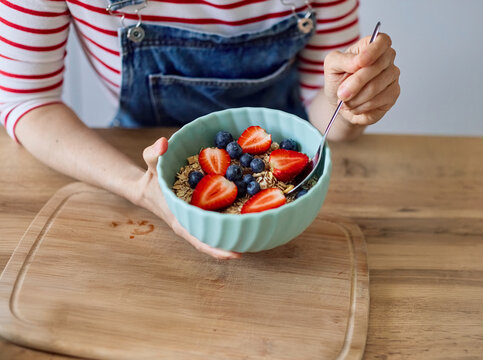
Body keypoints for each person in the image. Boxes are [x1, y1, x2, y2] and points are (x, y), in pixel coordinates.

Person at [0, 0, 400, 259]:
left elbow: (322, 113)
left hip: (290, 162)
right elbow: (25, 100)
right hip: (129, 167)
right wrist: (139, 187)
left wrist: (347, 103)